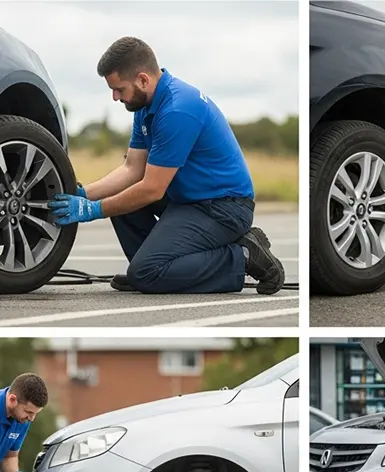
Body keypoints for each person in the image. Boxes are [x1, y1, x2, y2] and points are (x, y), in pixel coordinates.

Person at [46, 36, 284, 295]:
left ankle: (242, 256)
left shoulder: (176, 110)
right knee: (119, 203)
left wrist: (93, 210)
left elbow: (151, 190)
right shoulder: (144, 106)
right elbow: (132, 170)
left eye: (119, 89)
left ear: (143, 80)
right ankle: (155, 270)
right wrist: (83, 194)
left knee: (146, 273)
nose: (115, 97)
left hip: (223, 208)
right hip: (189, 200)